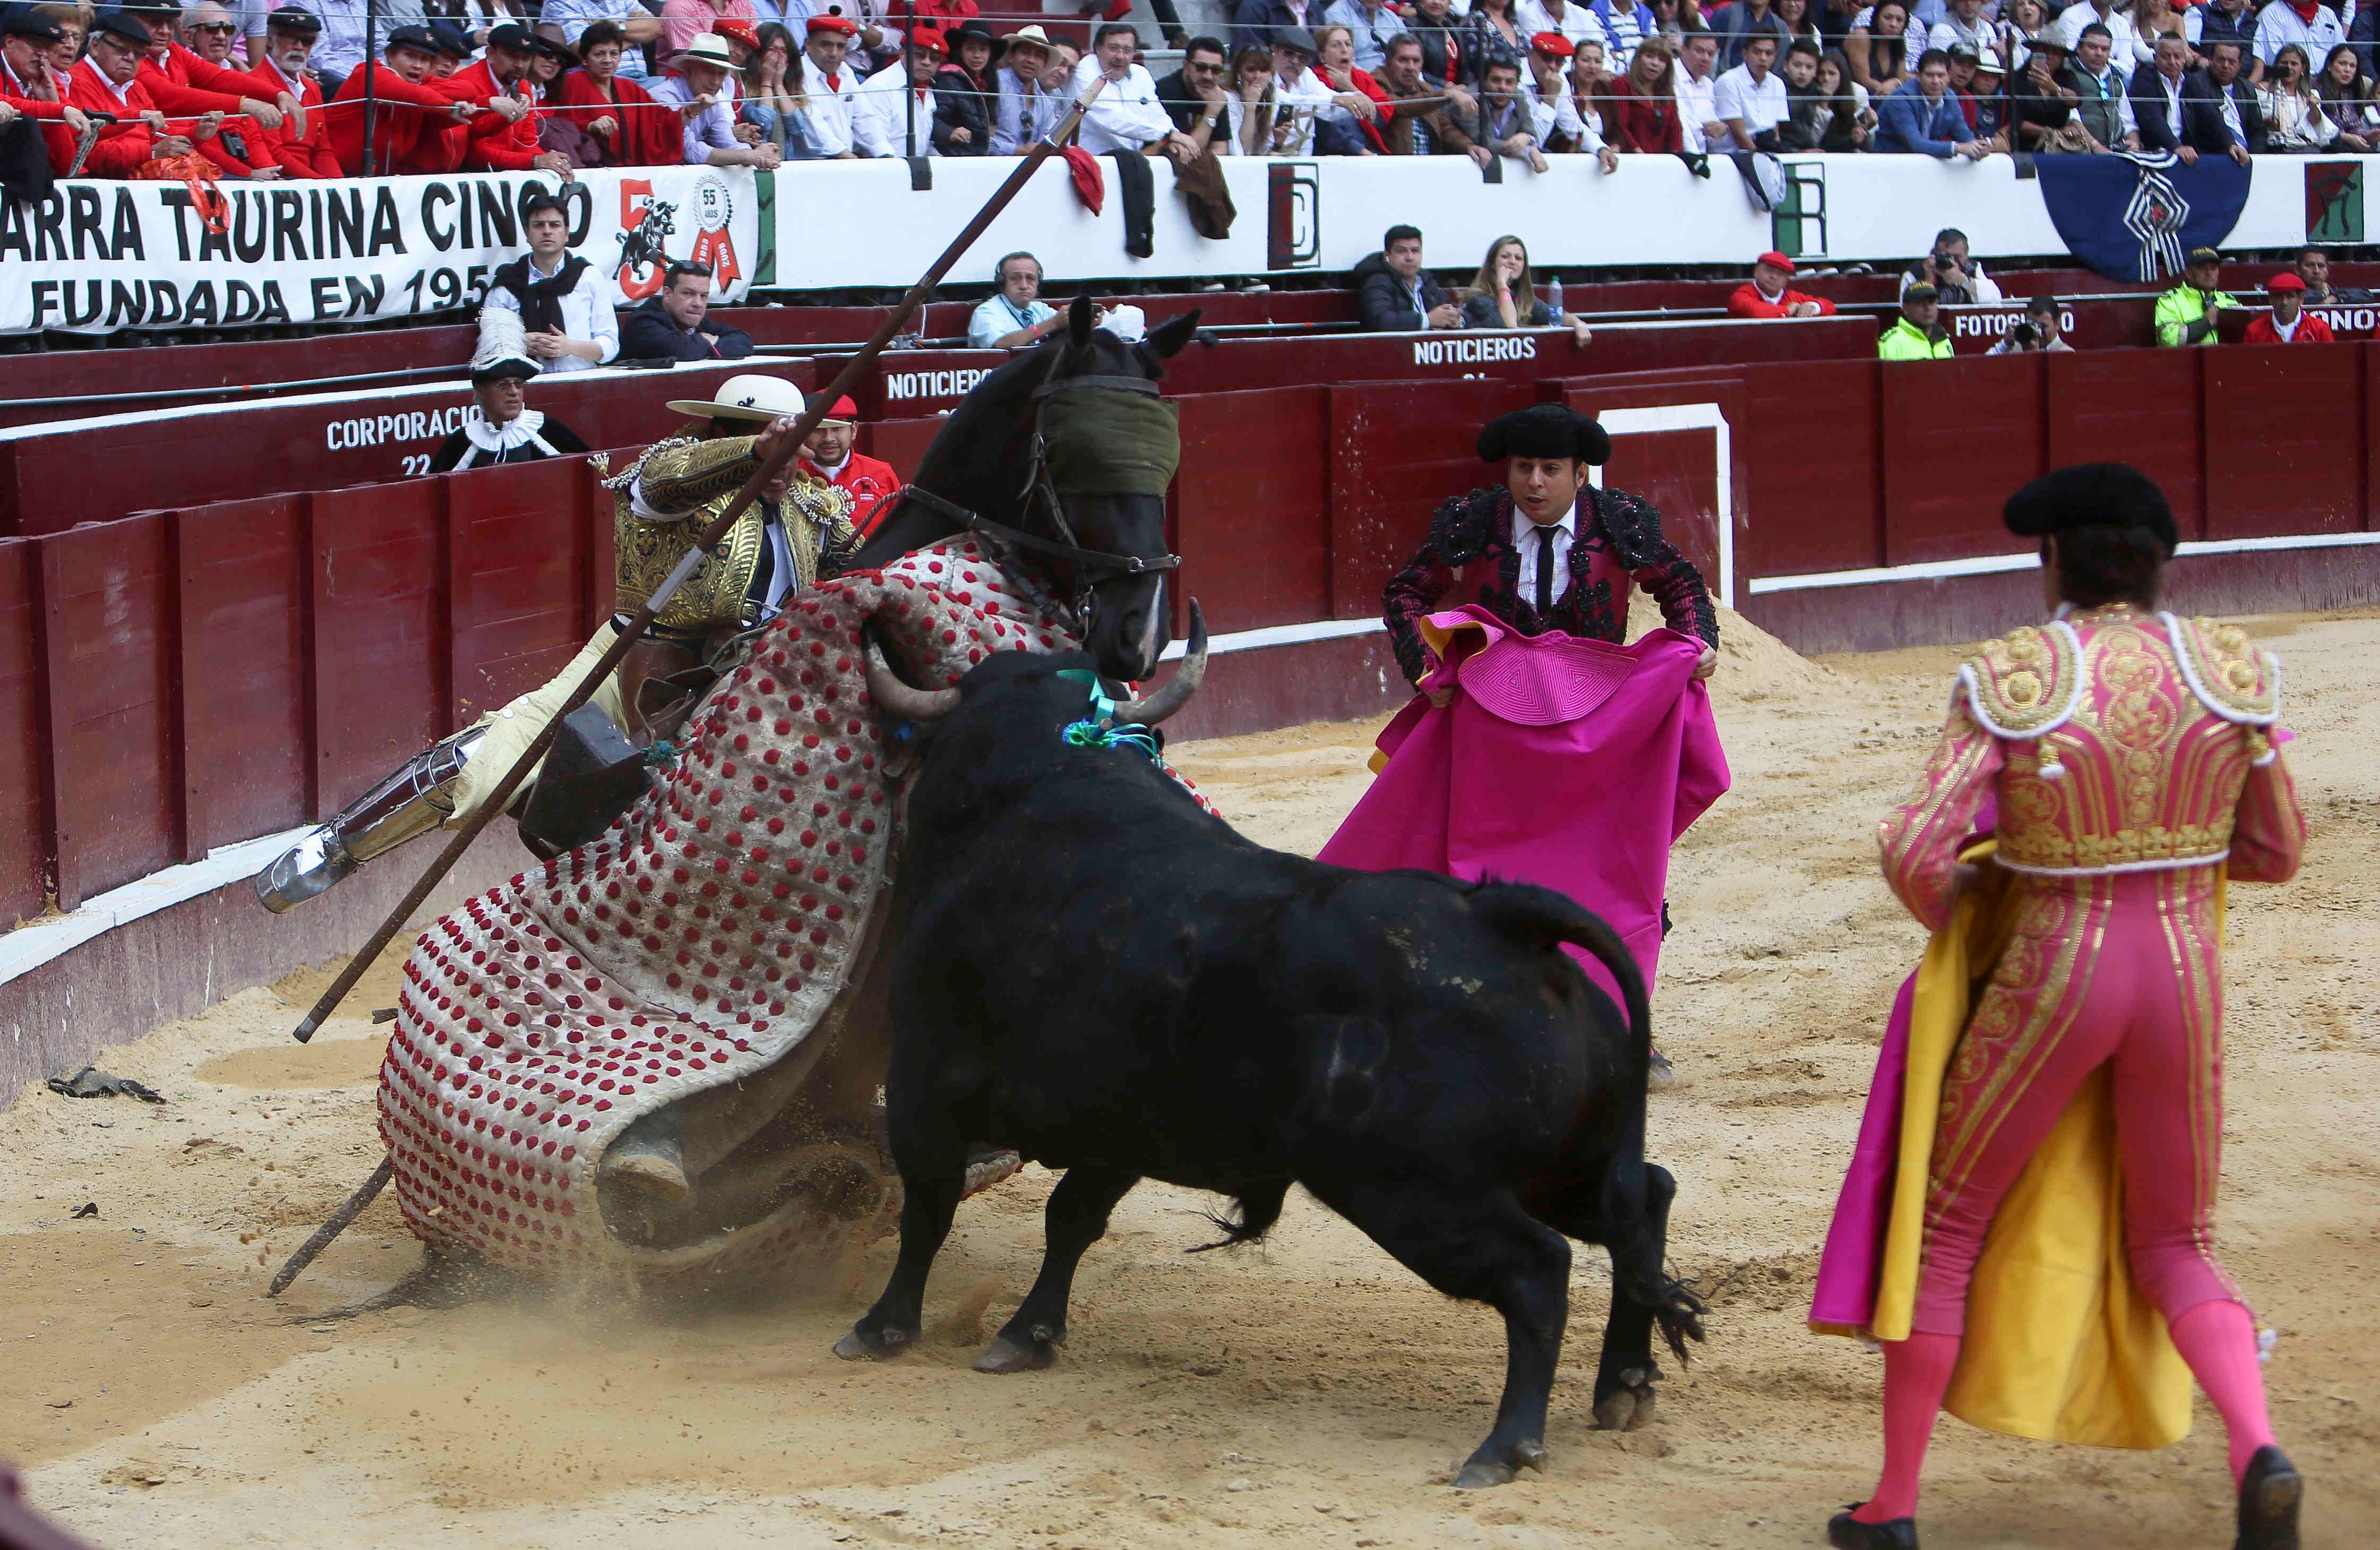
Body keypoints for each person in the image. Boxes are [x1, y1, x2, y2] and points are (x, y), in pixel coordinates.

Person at [1817, 462, 2306, 1550]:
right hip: (2183, 969)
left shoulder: (2015, 673)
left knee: (1944, 1232)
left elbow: (1913, 846)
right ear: (2161, 565)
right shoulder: (2230, 671)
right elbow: (2277, 850)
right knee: (2177, 1237)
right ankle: (2256, 1448)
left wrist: (1976, 905)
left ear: (2052, 565)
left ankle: (1892, 1507)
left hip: (2054, 967)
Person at [256, 374, 857, 915]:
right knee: (483, 761)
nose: (784, 458)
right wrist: (753, 452)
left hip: (754, 680)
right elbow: (663, 486)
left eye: (793, 443)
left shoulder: (815, 508)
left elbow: (865, 578)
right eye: (768, 439)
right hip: (632, 669)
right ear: (720, 433)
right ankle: (336, 848)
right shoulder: (672, 475)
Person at [1367, 403, 1722, 1091]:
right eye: (1523, 468)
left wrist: (1696, 642)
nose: (1533, 483)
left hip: (1596, 729)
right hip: (1496, 725)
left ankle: (1620, 1029)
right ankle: (1491, 1027)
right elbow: (1405, 592)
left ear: (1579, 473)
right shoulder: (1474, 520)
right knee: (1482, 874)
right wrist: (1427, 668)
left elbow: (1679, 583)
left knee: (1613, 873)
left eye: (1549, 470)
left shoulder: (1616, 521)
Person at [428, 312, 594, 474]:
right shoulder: (459, 444)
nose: (514, 392)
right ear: (480, 391)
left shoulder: (552, 432)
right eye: (503, 385)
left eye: (519, 383)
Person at [482, 192, 620, 374]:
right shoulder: (507, 285)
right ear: (527, 233)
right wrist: (520, 343)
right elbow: (489, 347)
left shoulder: (588, 277)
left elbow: (610, 345)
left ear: (567, 233)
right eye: (539, 225)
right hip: (524, 384)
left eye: (555, 225)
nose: (547, 231)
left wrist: (570, 347)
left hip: (582, 381)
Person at [553, 19, 682, 166]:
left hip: (628, 173)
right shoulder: (575, 81)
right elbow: (561, 127)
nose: (607, 60)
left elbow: (662, 121)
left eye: (614, 54)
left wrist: (691, 111)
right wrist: (590, 126)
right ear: (585, 58)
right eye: (599, 54)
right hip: (592, 170)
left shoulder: (629, 87)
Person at [1075, 22, 1200, 162]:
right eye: (1114, 48)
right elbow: (1112, 120)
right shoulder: (1085, 70)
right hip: (1094, 160)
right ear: (1098, 48)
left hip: (1137, 158)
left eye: (1127, 50)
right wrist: (1167, 135)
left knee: (1194, 160)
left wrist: (1175, 137)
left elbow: (1156, 113)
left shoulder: (1141, 73)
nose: (1120, 56)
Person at [654, 31, 783, 164]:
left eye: (721, 74)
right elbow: (690, 151)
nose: (715, 81)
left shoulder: (712, 102)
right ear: (688, 70)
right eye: (708, 71)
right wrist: (751, 156)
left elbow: (729, 143)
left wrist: (760, 155)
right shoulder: (665, 97)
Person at [244, 6, 341, 176]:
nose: (299, 47)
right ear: (271, 40)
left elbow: (322, 150)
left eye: (307, 41)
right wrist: (320, 183)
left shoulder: (312, 88)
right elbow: (274, 151)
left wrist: (340, 185)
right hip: (277, 179)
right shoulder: (253, 84)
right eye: (290, 38)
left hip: (307, 180)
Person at [1462, 234, 1595, 346]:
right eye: (1505, 256)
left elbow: (1555, 315)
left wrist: (1579, 324)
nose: (1512, 262)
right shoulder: (1478, 297)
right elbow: (1510, 325)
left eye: (1518, 258)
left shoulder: (1521, 297)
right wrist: (1502, 284)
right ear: (1492, 263)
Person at [798, 397, 904, 538]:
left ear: (853, 430)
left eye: (837, 428)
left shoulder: (881, 473)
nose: (828, 438)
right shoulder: (790, 474)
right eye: (819, 429)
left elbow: (900, 532)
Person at [622, 259, 757, 360]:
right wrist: (707, 342)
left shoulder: (693, 318)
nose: (698, 303)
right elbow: (680, 350)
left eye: (704, 296)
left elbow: (744, 341)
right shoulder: (643, 322)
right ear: (668, 294)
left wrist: (708, 344)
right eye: (688, 294)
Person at [1877, 47, 1993, 153]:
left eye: (1941, 75)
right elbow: (1916, 144)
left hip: (1919, 165)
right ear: (1919, 76)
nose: (1936, 81)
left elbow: (1964, 134)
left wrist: (1978, 147)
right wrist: (1958, 148)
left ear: (1949, 76)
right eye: (1930, 75)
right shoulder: (1902, 99)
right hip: (1886, 162)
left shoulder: (1950, 98)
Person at [854, 25, 943, 157]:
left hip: (913, 170)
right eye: (920, 55)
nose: (927, 62)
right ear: (902, 54)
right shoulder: (880, 87)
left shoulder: (927, 88)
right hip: (884, 169)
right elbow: (873, 144)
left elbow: (923, 143)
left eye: (934, 58)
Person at [1353, 222, 1462, 331]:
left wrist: (1456, 320)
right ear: (1387, 255)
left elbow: (1457, 310)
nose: (1410, 257)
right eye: (1401, 251)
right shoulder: (1377, 282)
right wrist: (1428, 320)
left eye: (1415, 251)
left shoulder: (1426, 280)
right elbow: (1382, 319)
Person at [787, 12, 862, 158]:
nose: (834, 53)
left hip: (847, 162)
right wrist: (854, 162)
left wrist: (885, 154)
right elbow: (815, 129)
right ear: (808, 44)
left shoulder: (845, 71)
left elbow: (865, 117)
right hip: (813, 168)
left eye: (841, 47)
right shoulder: (797, 73)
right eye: (826, 45)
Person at [1460, 55, 1552, 169]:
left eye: (1509, 82)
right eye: (1496, 80)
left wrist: (1526, 137)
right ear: (1483, 80)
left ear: (1517, 83)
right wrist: (1527, 150)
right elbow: (1483, 142)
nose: (1503, 87)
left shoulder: (1519, 97)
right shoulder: (1469, 99)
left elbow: (1531, 132)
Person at [541, 0, 661, 84]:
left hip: (643, 79)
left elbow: (657, 28)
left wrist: (612, 26)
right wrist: (637, 34)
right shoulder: (560, 3)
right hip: (598, 82)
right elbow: (585, 49)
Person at [987, 23, 1062, 153]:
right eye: (1025, 52)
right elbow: (980, 140)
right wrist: (1016, 150)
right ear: (1011, 56)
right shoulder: (994, 85)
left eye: (1038, 56)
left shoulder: (1047, 103)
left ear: (1044, 64)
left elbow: (1043, 145)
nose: (1031, 60)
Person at [2065, 21, 2138, 149]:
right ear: (2079, 48)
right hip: (2080, 151)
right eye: (2093, 47)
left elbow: (2128, 119)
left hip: (2116, 149)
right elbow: (2072, 119)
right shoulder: (2067, 73)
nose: (2099, 53)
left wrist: (2134, 141)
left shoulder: (2114, 76)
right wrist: (2096, 147)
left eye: (2105, 49)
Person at [2259, 40, 2345, 147]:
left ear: (2303, 68)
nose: (2289, 68)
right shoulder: (2264, 90)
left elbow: (2315, 123)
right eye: (2284, 63)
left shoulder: (2311, 94)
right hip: (2275, 147)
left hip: (2306, 148)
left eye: (2294, 64)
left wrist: (2313, 107)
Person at [969, 251, 1061, 348]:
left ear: (1039, 282)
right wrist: (1052, 324)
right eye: (1015, 278)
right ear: (1002, 283)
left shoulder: (1042, 309)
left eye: (1030, 278)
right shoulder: (986, 312)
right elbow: (999, 345)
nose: (1024, 286)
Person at [1714, 29, 1788, 145]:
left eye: (1769, 54)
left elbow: (1775, 133)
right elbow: (1739, 135)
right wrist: (1761, 160)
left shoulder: (1778, 84)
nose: (1763, 58)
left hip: (1766, 150)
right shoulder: (1728, 81)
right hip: (1735, 154)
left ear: (1775, 57)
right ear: (1745, 54)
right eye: (1757, 52)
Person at [1610, 36, 1685, 148]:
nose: (1655, 63)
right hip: (1633, 158)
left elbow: (1675, 131)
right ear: (1638, 59)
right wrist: (1638, 151)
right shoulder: (1622, 84)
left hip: (1662, 161)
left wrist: (1677, 159)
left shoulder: (1667, 92)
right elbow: (1621, 126)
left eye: (1662, 60)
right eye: (1649, 56)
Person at [2155, 246, 2239, 346]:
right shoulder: (2170, 301)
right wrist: (2208, 322)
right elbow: (2170, 340)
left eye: (2213, 268)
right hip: (2185, 361)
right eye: (2202, 268)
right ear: (2189, 273)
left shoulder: (2229, 301)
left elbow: (2247, 337)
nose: (2209, 273)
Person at [2199, 39, 2267, 155]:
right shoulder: (2199, 83)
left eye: (2231, 62)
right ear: (2211, 60)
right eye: (2221, 60)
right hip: (2218, 155)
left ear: (2240, 64)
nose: (2226, 65)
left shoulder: (2247, 88)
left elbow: (2258, 130)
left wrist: (2254, 157)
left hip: (2247, 155)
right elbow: (2212, 123)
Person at [1902, 227, 2001, 305]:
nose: (1952, 261)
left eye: (1957, 256)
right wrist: (1929, 281)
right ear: (1934, 253)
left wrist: (1963, 281)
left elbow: (1996, 298)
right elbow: (1909, 310)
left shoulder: (1973, 268)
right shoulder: (1914, 273)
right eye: (1946, 256)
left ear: (1967, 255)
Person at [1730, 250, 1835, 318]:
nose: (1774, 277)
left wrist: (1814, 307)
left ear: (1787, 279)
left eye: (1781, 274)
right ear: (1756, 272)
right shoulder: (1743, 294)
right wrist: (1788, 310)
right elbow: (1755, 311)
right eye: (1769, 271)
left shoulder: (1792, 296)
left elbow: (1830, 306)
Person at [2244, 270, 2336, 343]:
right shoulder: (2254, 330)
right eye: (2279, 297)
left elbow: (2332, 362)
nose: (2284, 302)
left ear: (2301, 299)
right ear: (2271, 300)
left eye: (2290, 297)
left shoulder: (2319, 328)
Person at [2253, 0, 2345, 73]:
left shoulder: (2328, 14)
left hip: (2328, 81)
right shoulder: (2271, 13)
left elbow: (2342, 51)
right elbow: (2274, 59)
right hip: (2291, 83)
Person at [2316, 40, 2380, 143]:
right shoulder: (2315, 86)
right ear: (2329, 65)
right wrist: (2345, 137)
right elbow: (2317, 127)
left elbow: (2354, 126)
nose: (2348, 70)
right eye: (2342, 64)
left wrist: (2368, 135)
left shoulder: (2350, 91)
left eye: (2352, 66)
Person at [1676, 27, 1728, 148]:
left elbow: (1712, 137)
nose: (1705, 58)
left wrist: (1722, 130)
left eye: (1711, 54)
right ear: (1683, 50)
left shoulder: (1709, 85)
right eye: (1699, 51)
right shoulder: (1670, 75)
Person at [1812, 46, 1875, 148]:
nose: (1826, 78)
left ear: (1842, 75)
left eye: (1832, 74)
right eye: (1822, 73)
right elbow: (1815, 142)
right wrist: (1823, 104)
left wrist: (1870, 127)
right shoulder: (1811, 94)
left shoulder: (1858, 93)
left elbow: (1868, 145)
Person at [1878, 284, 1954, 359]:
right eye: (1919, 303)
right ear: (1905, 309)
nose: (1927, 308)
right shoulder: (1892, 343)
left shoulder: (1944, 340)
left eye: (1932, 302)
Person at [1987, 292, 2074, 352]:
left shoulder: (2065, 353)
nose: (2038, 331)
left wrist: (2033, 354)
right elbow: (1986, 367)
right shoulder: (2017, 348)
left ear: (2057, 324)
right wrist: (2005, 345)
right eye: (2033, 325)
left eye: (2043, 326)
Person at [2295, 245, 2372, 304]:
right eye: (2310, 265)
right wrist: (2323, 294)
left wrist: (2336, 298)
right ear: (2298, 270)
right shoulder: (2291, 293)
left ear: (2327, 270)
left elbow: (2367, 295)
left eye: (2321, 266)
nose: (2317, 271)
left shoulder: (2333, 292)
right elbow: (2297, 298)